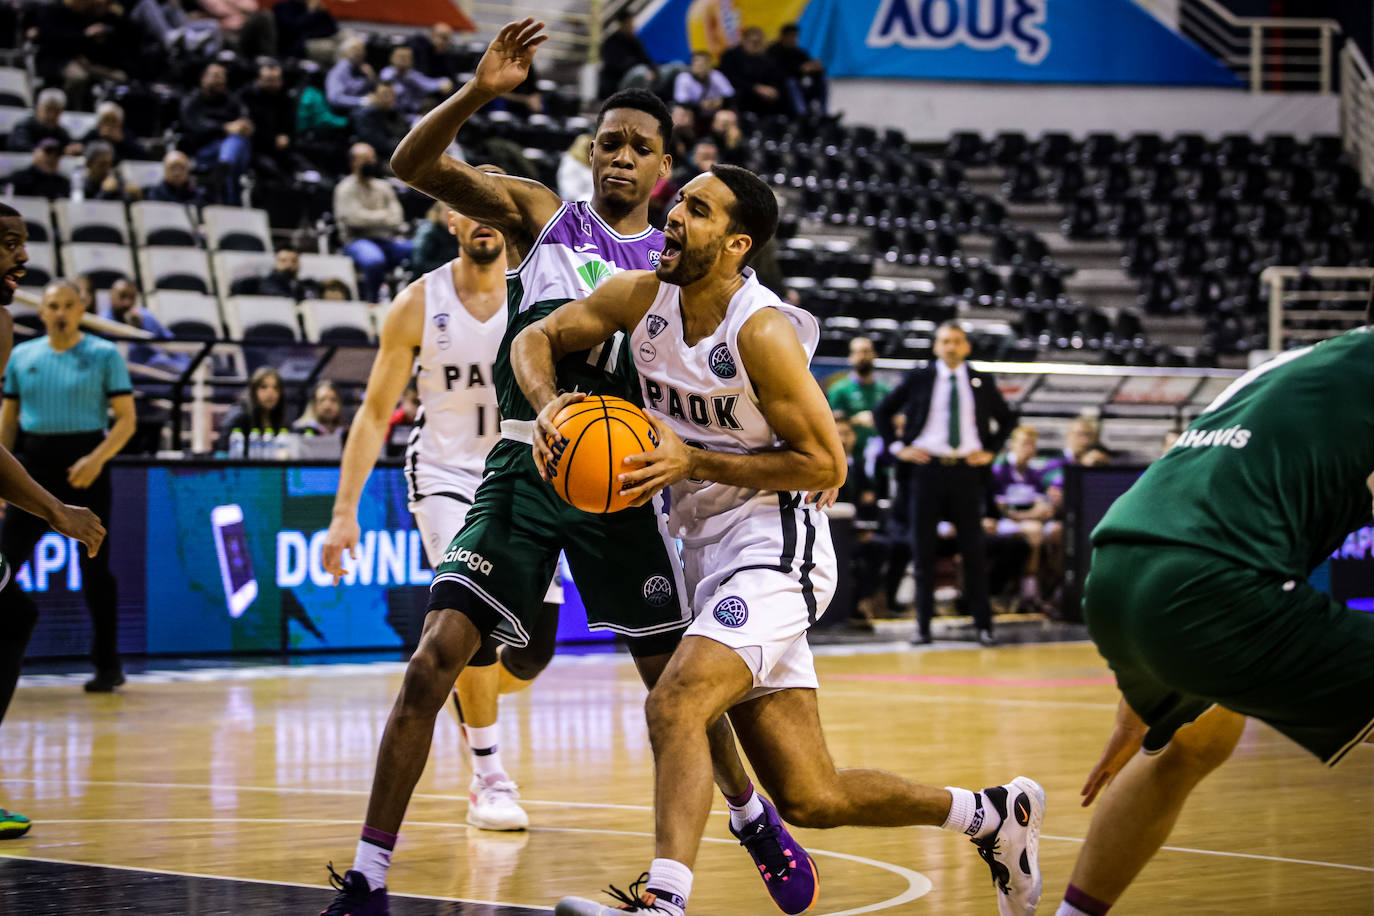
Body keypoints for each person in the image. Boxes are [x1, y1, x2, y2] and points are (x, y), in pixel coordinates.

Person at [318, 20, 794, 914]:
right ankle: (370, 878)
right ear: (590, 150)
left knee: (676, 688)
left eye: (639, 148)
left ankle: (750, 815)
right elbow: (413, 167)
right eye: (608, 142)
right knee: (433, 661)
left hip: (626, 479)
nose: (620, 157)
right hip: (523, 461)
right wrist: (478, 92)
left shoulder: (677, 256)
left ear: (663, 169)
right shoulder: (543, 212)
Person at [513, 164, 1044, 916]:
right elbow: (538, 336)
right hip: (701, 551)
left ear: (736, 245)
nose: (672, 218)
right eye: (677, 204)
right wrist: (547, 408)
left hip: (774, 547)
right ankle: (992, 815)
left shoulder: (760, 330)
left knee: (674, 705)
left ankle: (664, 902)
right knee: (812, 795)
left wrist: (692, 459)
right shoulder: (640, 297)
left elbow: (826, 462)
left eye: (695, 210)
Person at [1053, 314, 1374, 916]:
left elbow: (1189, 482)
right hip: (1215, 584)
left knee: (1195, 745)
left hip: (1118, 570)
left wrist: (1140, 694)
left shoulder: (1289, 365)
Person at [323, 190, 564, 843]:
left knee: (534, 650)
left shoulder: (540, 292)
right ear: (449, 217)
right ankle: (489, 774)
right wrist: (344, 513)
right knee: (475, 615)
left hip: (522, 477)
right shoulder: (417, 304)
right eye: (467, 206)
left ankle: (456, 684)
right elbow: (374, 414)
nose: (482, 219)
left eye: (494, 208)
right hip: (446, 476)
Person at [0, 207, 107, 842]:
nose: (23, 258)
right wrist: (55, 509)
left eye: (24, 244)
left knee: (12, 614)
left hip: (70, 458)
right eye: (9, 244)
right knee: (11, 618)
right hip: (41, 467)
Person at [1, 279, 135, 692]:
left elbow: (126, 420)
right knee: (3, 563)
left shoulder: (104, 353)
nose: (60, 312)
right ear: (41, 312)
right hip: (31, 465)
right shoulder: (22, 355)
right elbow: (7, 422)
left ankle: (108, 667)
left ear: (82, 310)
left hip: (86, 468)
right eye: (52, 305)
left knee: (97, 571)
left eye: (68, 305)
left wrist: (96, 460)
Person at [875, 321, 1015, 646]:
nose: (951, 347)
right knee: (922, 550)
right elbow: (883, 411)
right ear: (936, 346)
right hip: (927, 471)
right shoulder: (920, 377)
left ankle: (983, 626)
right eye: (945, 341)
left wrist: (990, 451)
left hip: (966, 471)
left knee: (974, 550)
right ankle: (923, 625)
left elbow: (1008, 418)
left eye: (957, 341)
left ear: (966, 346)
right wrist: (899, 449)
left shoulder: (980, 380)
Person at [988, 425, 1062, 613]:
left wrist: (1029, 516)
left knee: (1057, 531)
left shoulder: (1032, 473)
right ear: (1013, 445)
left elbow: (1043, 507)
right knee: (1034, 530)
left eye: (1032, 445)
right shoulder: (1000, 469)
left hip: (1026, 520)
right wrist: (1026, 517)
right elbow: (1002, 509)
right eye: (1025, 444)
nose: (1029, 449)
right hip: (1001, 522)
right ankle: (1029, 594)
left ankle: (1055, 588)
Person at [334, 142, 411, 302]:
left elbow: (398, 218)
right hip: (356, 241)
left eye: (372, 158)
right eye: (365, 159)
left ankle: (412, 299)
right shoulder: (345, 189)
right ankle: (373, 302)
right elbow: (354, 220)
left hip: (386, 241)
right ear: (353, 162)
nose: (371, 163)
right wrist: (384, 217)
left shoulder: (384, 187)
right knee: (374, 260)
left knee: (418, 249)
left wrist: (371, 218)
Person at [180, 61, 254, 205]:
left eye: (222, 76)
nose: (219, 80)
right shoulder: (192, 101)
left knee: (236, 143)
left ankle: (223, 168)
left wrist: (246, 127)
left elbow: (244, 121)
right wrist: (224, 128)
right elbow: (195, 125)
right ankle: (231, 202)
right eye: (215, 76)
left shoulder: (232, 100)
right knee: (234, 148)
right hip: (203, 149)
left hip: (232, 152)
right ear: (203, 79)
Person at [827, 336, 890, 486]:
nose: (862, 357)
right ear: (851, 357)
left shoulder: (885, 390)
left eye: (866, 352)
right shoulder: (839, 390)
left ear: (875, 355)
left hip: (881, 458)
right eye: (857, 352)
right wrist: (857, 419)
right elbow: (832, 425)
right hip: (850, 458)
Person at [99, 278, 189, 374]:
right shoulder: (101, 323)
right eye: (122, 296)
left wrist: (139, 327)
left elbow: (172, 343)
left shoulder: (147, 317)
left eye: (132, 297)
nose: (127, 302)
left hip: (154, 373)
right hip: (121, 376)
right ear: (111, 297)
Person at [239, 59, 296, 182]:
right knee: (274, 171)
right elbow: (248, 128)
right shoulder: (247, 96)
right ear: (259, 80)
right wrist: (273, 140)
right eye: (270, 80)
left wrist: (285, 135)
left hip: (280, 148)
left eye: (277, 79)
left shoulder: (284, 96)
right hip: (255, 148)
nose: (274, 83)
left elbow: (289, 123)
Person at [718, 27, 790, 117]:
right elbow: (730, 78)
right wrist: (755, 88)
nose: (756, 45)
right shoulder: (731, 55)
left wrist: (773, 89)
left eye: (759, 42)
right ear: (743, 41)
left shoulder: (767, 58)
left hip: (764, 95)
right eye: (753, 42)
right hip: (741, 92)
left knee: (787, 88)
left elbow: (777, 77)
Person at [217, 365, 285, 448]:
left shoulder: (277, 415)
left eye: (276, 388)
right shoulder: (240, 414)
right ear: (253, 390)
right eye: (264, 387)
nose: (270, 393)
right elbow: (223, 450)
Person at [768, 23, 827, 116]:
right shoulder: (773, 52)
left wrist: (816, 68)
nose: (793, 39)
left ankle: (823, 113)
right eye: (790, 36)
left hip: (800, 83)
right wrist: (801, 70)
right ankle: (802, 114)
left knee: (821, 82)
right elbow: (777, 72)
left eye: (795, 36)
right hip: (781, 86)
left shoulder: (799, 53)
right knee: (791, 82)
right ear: (783, 36)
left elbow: (809, 67)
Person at [598, 9, 656, 99]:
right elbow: (617, 66)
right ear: (622, 24)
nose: (633, 26)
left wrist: (652, 69)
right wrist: (643, 69)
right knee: (640, 72)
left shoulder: (634, 40)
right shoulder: (611, 42)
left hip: (641, 73)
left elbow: (645, 58)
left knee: (673, 68)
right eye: (629, 22)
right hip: (619, 81)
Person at [380, 45, 452, 115]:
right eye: (401, 56)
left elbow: (430, 84)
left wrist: (445, 82)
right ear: (392, 58)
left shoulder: (413, 75)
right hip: (391, 115)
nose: (403, 60)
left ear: (412, 60)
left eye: (407, 57)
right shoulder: (386, 74)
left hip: (413, 115)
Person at [8, 88, 80, 155]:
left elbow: (70, 146)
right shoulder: (24, 126)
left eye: (57, 111)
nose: (52, 115)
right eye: (48, 109)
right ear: (38, 109)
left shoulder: (60, 131)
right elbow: (18, 147)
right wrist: (47, 152)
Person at [350, 82, 407, 162]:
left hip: (394, 153)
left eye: (392, 94)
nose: (389, 98)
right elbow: (377, 143)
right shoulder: (365, 115)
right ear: (374, 96)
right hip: (376, 157)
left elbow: (403, 134)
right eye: (385, 94)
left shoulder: (395, 113)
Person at [326, 34, 377, 113]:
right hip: (343, 113)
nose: (359, 53)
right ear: (344, 52)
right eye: (355, 49)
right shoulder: (339, 70)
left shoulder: (362, 69)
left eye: (362, 50)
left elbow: (357, 88)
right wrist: (363, 101)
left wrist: (371, 78)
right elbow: (335, 98)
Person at [7, 139, 72, 200]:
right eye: (48, 151)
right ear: (36, 153)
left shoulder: (64, 183)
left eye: (57, 154)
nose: (52, 157)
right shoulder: (19, 178)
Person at [409, 201, 459, 276]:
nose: (452, 217)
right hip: (429, 277)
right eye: (448, 213)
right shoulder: (428, 232)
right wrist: (452, 267)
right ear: (438, 213)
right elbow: (419, 264)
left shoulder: (456, 231)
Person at [556, 134, 593, 202]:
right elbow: (568, 190)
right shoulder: (570, 162)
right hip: (576, 202)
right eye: (587, 148)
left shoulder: (591, 163)